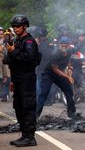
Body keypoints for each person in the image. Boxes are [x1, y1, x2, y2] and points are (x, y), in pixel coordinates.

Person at [3, 14, 41, 147]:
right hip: (18, 79)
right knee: (18, 107)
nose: (15, 28)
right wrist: (8, 52)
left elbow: (29, 58)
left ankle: (30, 137)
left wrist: (13, 52)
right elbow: (8, 61)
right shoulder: (17, 40)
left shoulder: (29, 41)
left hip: (27, 79)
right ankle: (24, 135)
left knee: (27, 107)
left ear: (25, 26)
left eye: (18, 26)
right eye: (14, 26)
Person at [36, 36, 76, 119]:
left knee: (69, 92)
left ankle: (72, 114)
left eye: (66, 45)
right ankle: (35, 116)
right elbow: (55, 70)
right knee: (43, 94)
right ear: (59, 44)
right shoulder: (55, 54)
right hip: (49, 75)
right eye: (62, 45)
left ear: (69, 45)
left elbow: (68, 60)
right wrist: (67, 77)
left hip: (60, 75)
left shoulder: (70, 51)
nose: (64, 47)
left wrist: (70, 67)